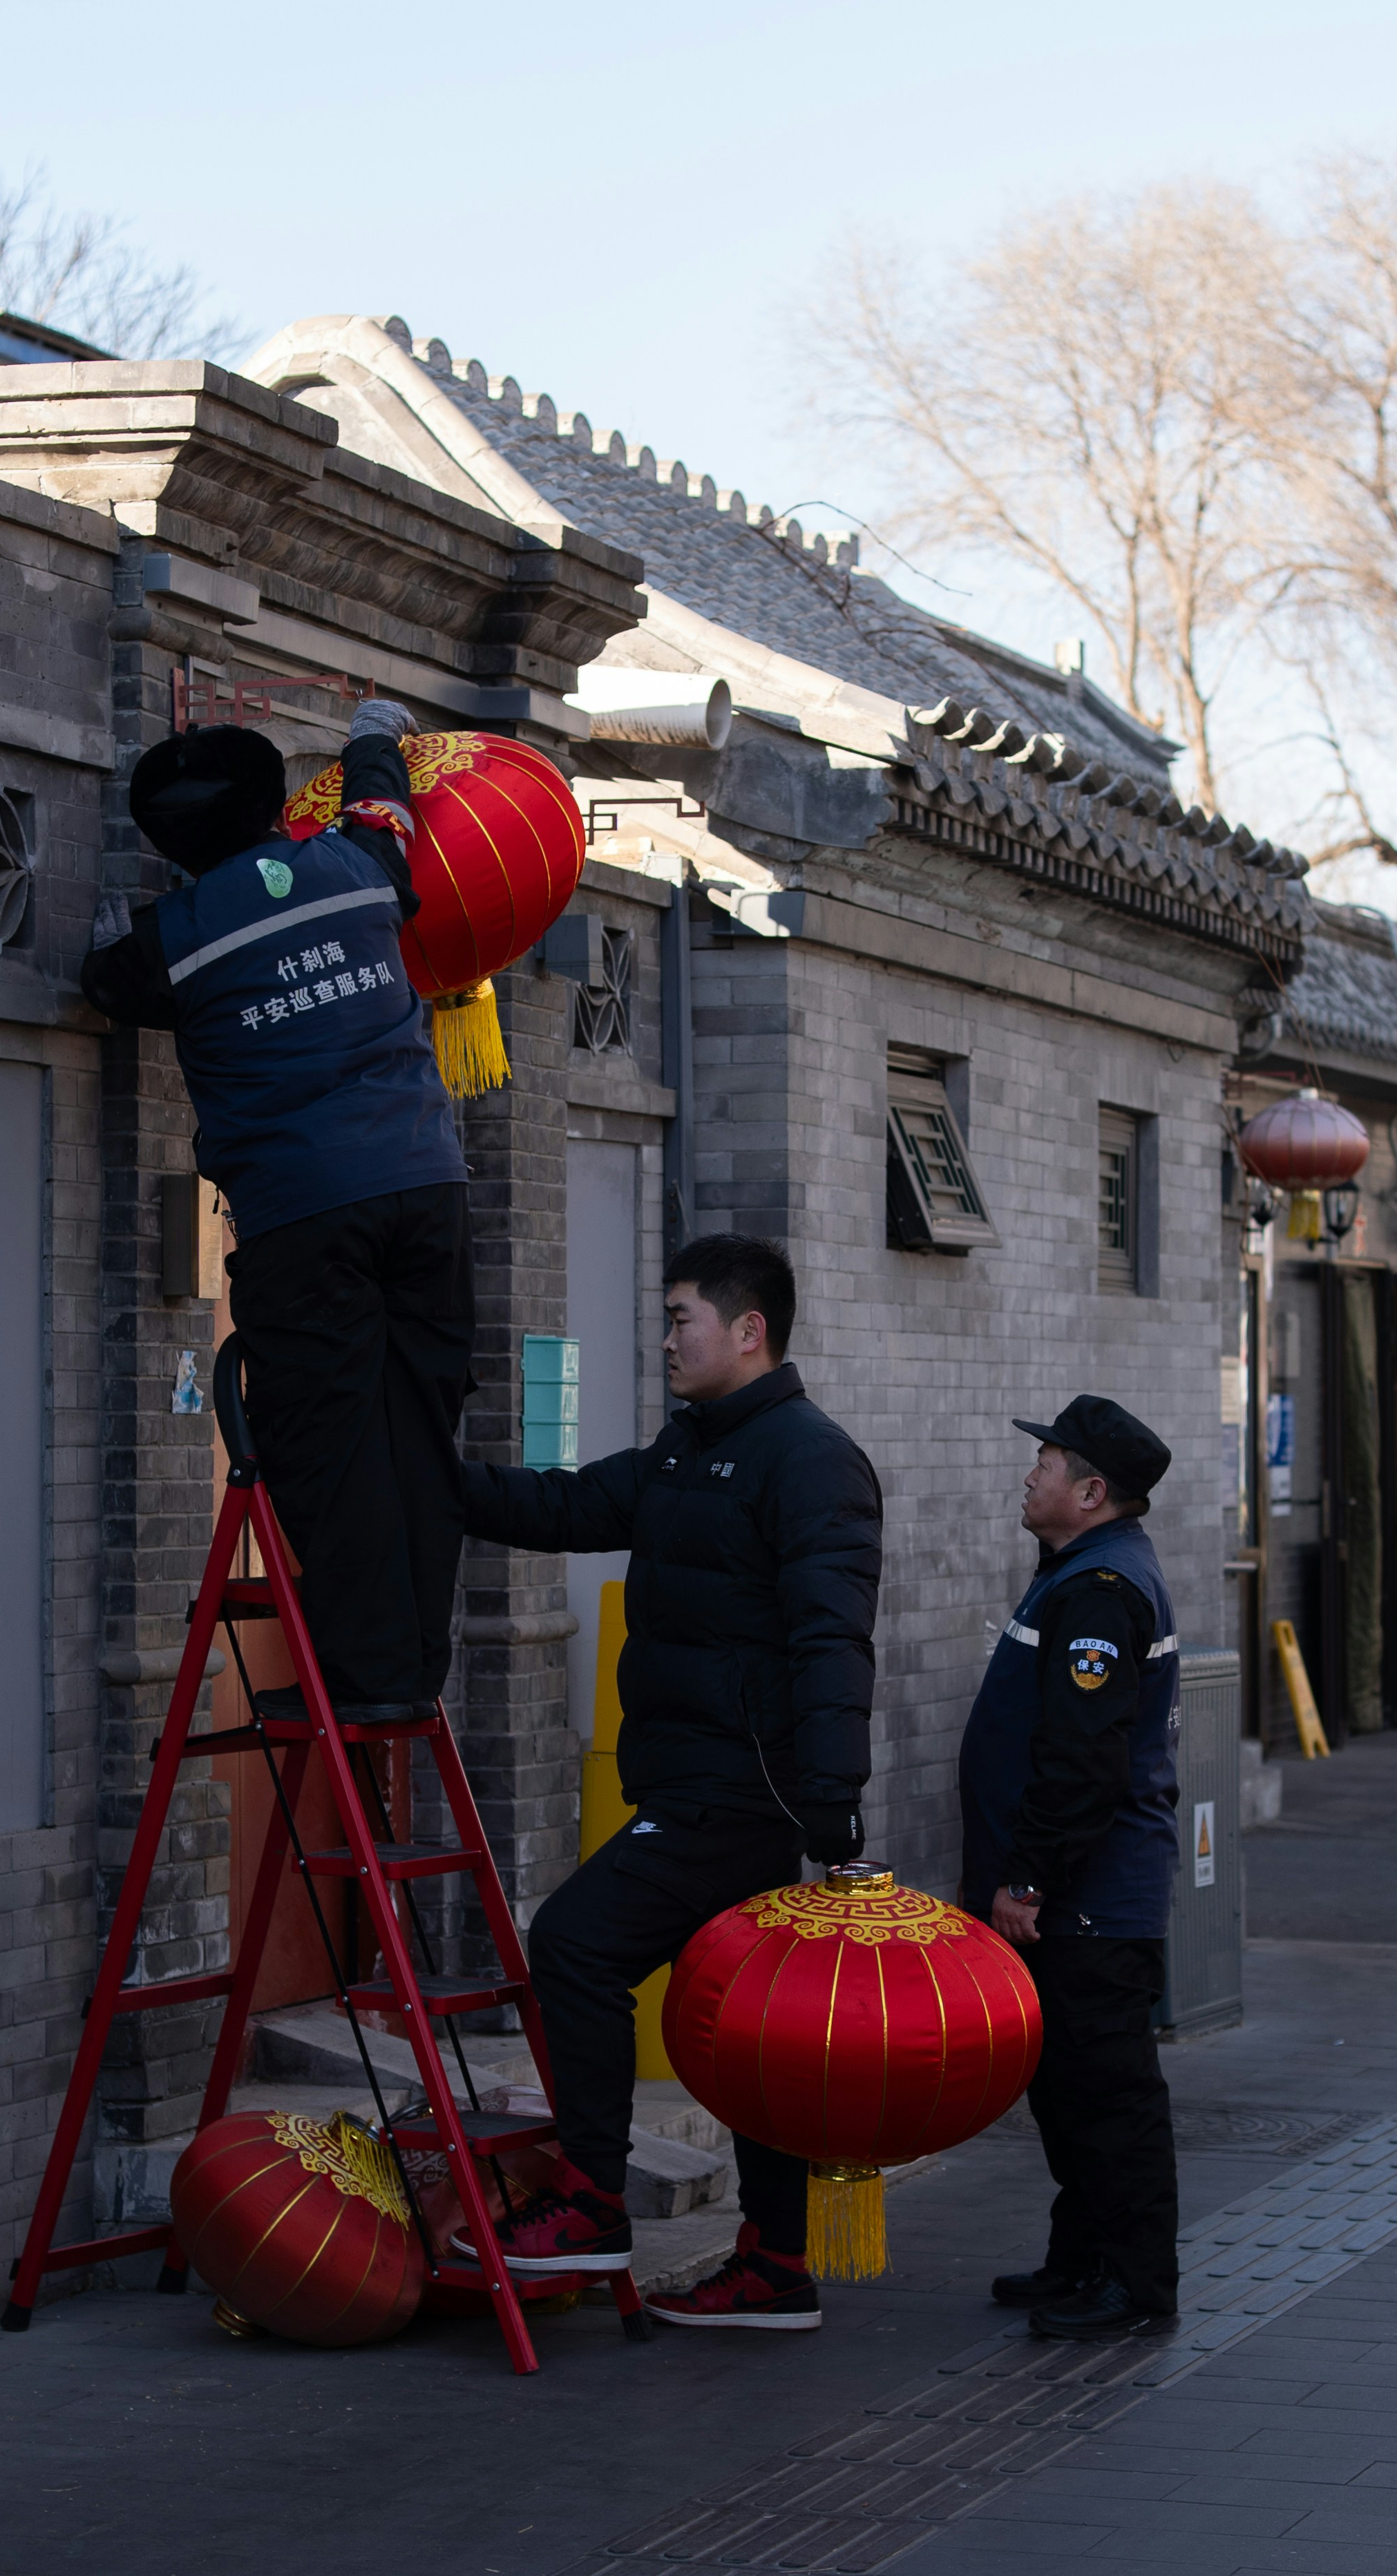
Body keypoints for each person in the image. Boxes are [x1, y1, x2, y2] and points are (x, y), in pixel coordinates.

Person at [457, 1234, 881, 2322]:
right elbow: (559, 1509)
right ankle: (776, 2264)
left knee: (575, 1943)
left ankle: (594, 2203)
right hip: (690, 1780)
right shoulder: (688, 1450)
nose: (664, 1338)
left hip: (740, 1796)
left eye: (680, 1316)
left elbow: (831, 1641)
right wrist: (430, 1480)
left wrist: (833, 1807)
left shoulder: (810, 1459)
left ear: (748, 1330)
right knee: (745, 2024)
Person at [81, 708, 473, 1732]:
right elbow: (386, 808)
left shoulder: (177, 937)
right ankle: (418, 1666)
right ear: (271, 807)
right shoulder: (354, 865)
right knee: (419, 1425)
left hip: (306, 1213)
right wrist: (370, 736)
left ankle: (369, 1677)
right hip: (428, 1186)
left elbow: (101, 981)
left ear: (171, 847)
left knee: (326, 1440)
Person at [960, 1394, 1182, 2342]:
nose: (1029, 1473)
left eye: (1045, 1461)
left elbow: (1082, 1763)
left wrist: (1028, 1882)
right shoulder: (1083, 1571)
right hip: (1075, 1902)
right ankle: (1080, 2258)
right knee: (1066, 2093)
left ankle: (1133, 2283)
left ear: (1090, 1492)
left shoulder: (1099, 1592)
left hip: (1087, 1907)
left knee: (1105, 2097)